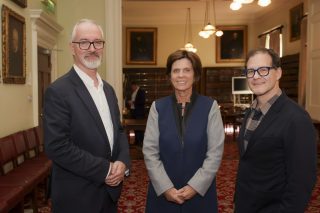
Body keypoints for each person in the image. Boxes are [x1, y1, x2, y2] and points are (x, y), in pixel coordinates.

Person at [43, 19, 130, 213]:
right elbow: (57, 146)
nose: (92, 48)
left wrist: (123, 162)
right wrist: (105, 170)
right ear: (72, 48)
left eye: (97, 42)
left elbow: (119, 131)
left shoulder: (108, 89)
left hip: (110, 194)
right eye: (84, 42)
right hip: (77, 196)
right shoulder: (58, 91)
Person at [234, 47, 317, 213]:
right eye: (250, 71)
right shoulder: (251, 111)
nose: (256, 76)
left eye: (263, 70)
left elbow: (302, 182)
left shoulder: (296, 119)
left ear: (278, 73)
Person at [143, 50, 225, 212]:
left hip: (200, 192)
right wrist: (166, 188)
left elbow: (215, 152)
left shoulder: (210, 106)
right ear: (169, 75)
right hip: (163, 192)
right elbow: (150, 151)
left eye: (187, 70)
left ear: (195, 75)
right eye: (176, 70)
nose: (181, 75)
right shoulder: (157, 107)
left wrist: (195, 186)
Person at [127, 81, 146, 146]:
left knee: (139, 128)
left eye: (132, 86)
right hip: (133, 111)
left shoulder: (141, 91)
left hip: (139, 112)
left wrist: (133, 102)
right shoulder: (133, 92)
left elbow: (142, 101)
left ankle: (140, 142)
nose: (131, 88)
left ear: (135, 85)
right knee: (134, 127)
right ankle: (136, 141)